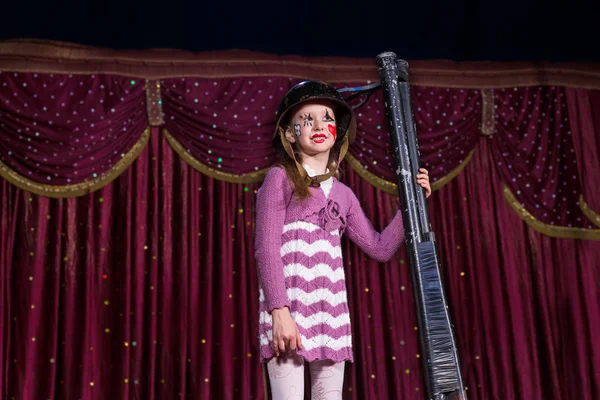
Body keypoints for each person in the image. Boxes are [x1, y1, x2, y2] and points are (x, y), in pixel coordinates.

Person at [255, 80, 431, 399]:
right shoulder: (278, 179)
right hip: (288, 313)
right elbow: (265, 248)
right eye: (307, 120)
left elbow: (379, 247)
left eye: (327, 118)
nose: (319, 125)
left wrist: (412, 203)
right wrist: (279, 312)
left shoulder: (343, 196)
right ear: (291, 132)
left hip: (330, 316)